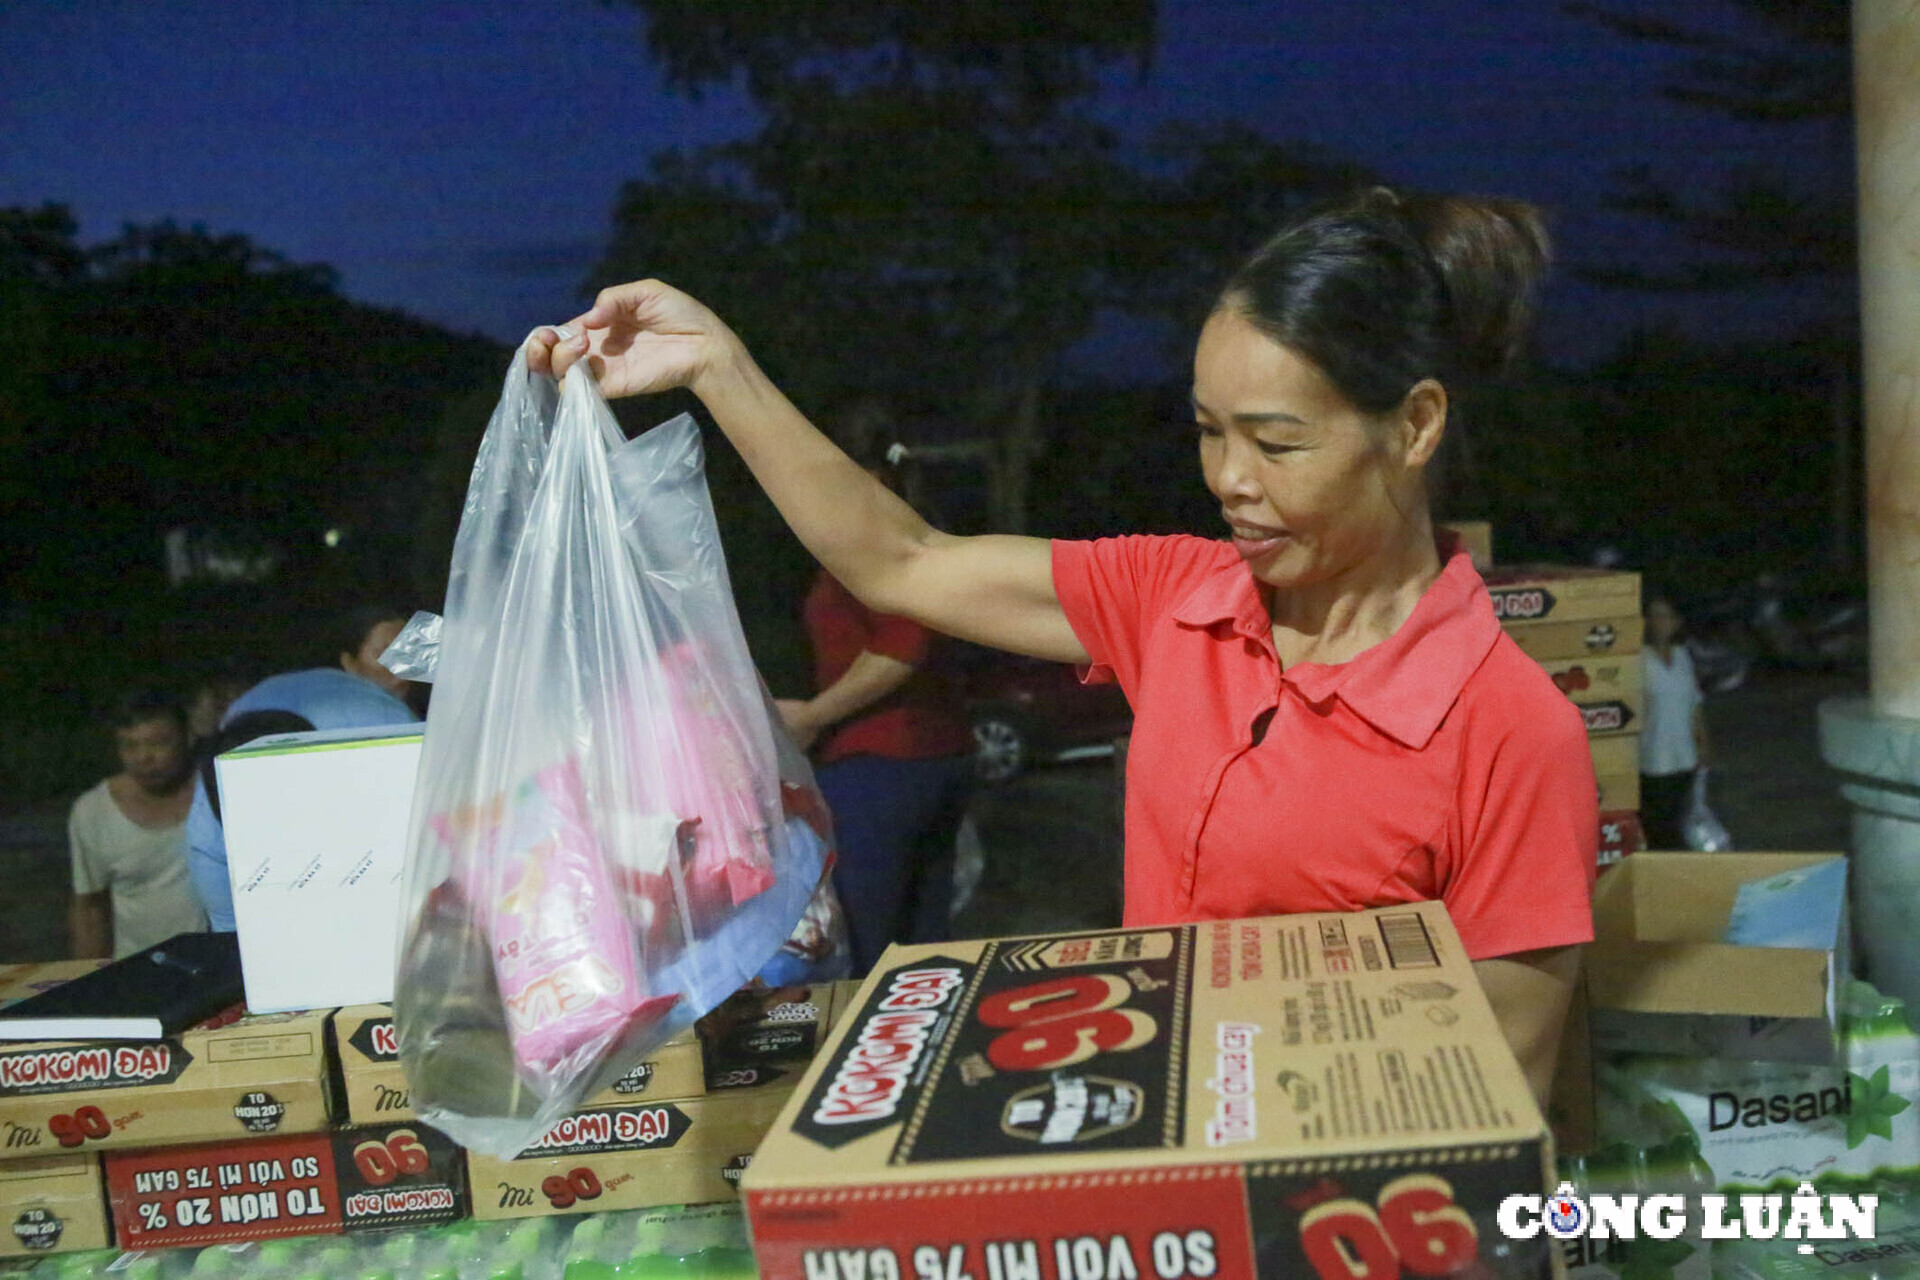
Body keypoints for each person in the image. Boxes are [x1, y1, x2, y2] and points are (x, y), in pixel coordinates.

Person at [528, 187, 1597, 1104]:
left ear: (1414, 426)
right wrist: (718, 366)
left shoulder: (1510, 731)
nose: (1229, 478)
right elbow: (902, 559)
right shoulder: (1180, 597)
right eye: (1207, 429)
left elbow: (1501, 1084)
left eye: (1277, 442)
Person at [775, 430, 976, 974]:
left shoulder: (872, 550)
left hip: (884, 762)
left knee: (865, 942)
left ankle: (869, 1052)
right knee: (924, 942)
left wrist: (813, 717)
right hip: (937, 755)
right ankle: (926, 1047)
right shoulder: (917, 542)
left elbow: (903, 647)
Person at [186, 607, 420, 931]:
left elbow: (421, 855)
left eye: (413, 650)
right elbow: (229, 932)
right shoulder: (208, 828)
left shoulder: (384, 727)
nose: (403, 667)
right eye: (385, 653)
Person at [69, 691, 207, 958]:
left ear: (187, 738)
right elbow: (89, 908)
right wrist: (87, 980)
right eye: (130, 746)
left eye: (159, 743)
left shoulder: (215, 792)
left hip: (220, 963)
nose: (144, 757)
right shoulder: (93, 811)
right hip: (138, 969)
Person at [1638, 595, 1710, 849]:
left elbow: (1694, 703)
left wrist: (1703, 744)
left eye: (1665, 616)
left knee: (1681, 822)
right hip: (1654, 759)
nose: (1660, 622)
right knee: (1660, 829)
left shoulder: (1682, 656)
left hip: (1684, 757)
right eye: (1655, 616)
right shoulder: (1640, 659)